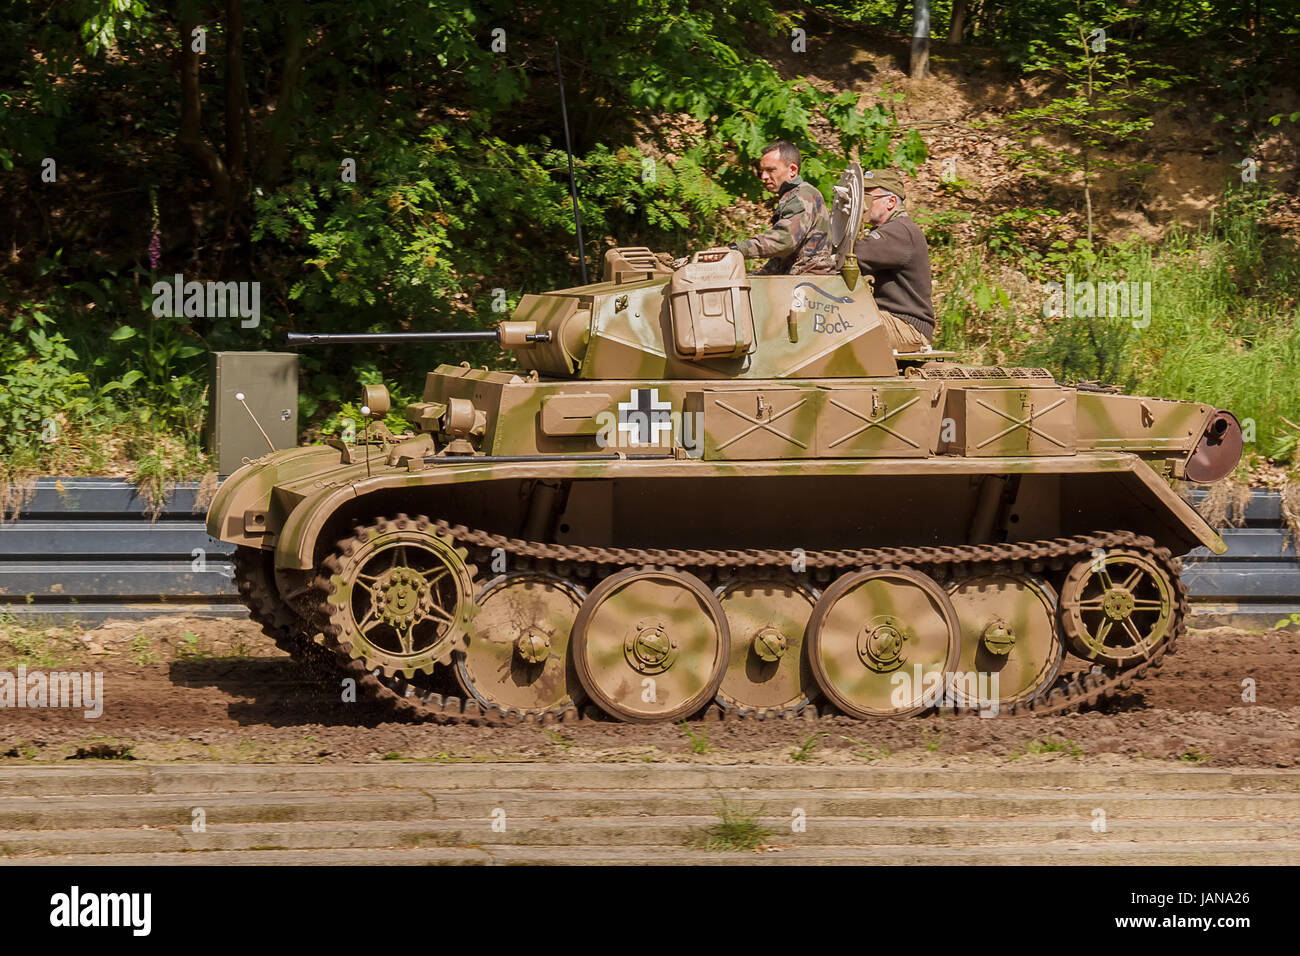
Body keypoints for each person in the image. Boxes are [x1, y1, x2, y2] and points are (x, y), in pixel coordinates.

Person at [851, 169, 935, 351]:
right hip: (890, 319)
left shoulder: (900, 231)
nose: (862, 203)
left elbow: (853, 256)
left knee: (840, 324)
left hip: (906, 325)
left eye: (867, 197)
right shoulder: (890, 231)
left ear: (890, 202)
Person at [731, 141, 835, 276]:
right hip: (796, 279)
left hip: (808, 282)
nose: (763, 177)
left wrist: (737, 249)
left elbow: (785, 240)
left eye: (770, 170)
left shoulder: (802, 195)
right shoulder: (792, 196)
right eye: (762, 170)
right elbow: (782, 256)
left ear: (792, 170)